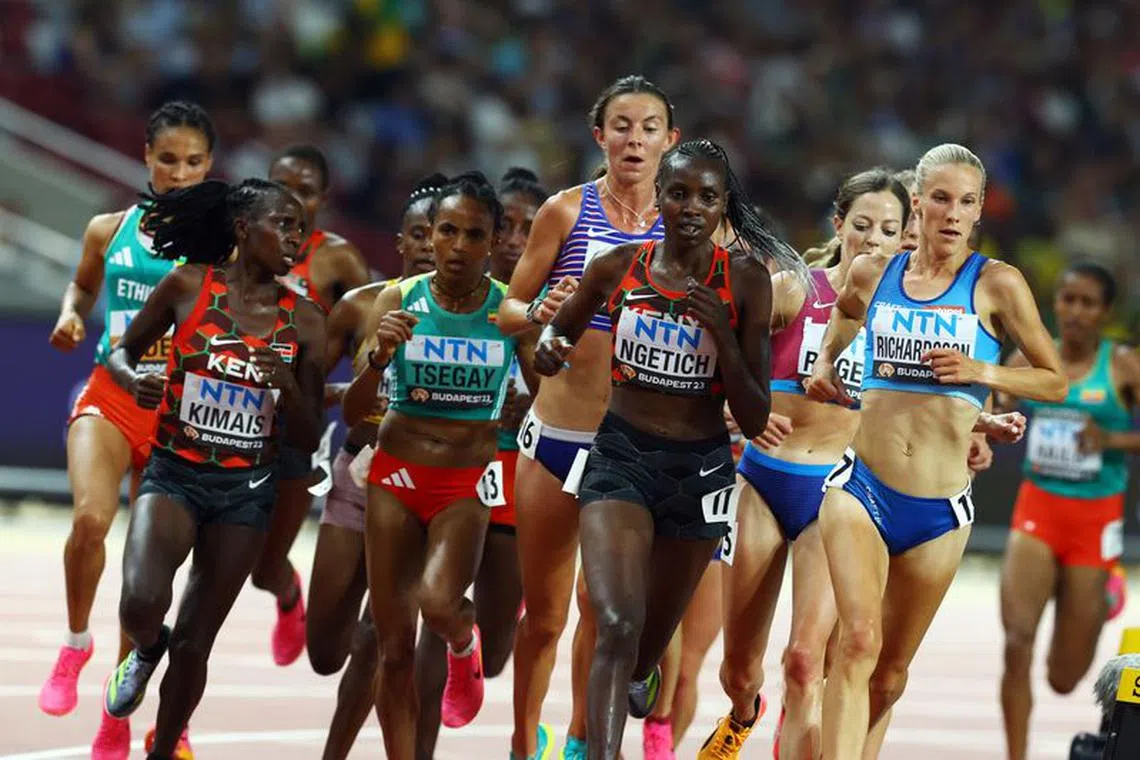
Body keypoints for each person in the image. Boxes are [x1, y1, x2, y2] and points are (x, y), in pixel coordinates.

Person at [534, 138, 807, 760]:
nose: (690, 206)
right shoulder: (618, 265)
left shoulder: (744, 281)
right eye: (679, 192)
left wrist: (724, 335)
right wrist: (549, 346)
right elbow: (558, 332)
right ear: (657, 196)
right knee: (615, 624)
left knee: (645, 646)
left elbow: (756, 412)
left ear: (722, 208)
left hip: (700, 471)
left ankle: (643, 670)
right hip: (619, 458)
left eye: (707, 197)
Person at [804, 143, 1066, 757]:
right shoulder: (876, 271)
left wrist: (985, 372)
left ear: (979, 213)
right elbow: (844, 315)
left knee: (889, 677)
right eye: (941, 199)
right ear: (916, 202)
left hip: (939, 509)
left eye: (966, 202)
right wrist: (824, 363)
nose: (952, 213)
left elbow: (1054, 378)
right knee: (856, 642)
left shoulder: (997, 284)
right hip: (859, 486)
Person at [99, 178, 326, 760]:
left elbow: (306, 433)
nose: (295, 239)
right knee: (140, 603)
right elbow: (121, 352)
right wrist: (133, 380)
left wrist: (288, 391)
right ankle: (146, 648)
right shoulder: (188, 285)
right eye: (284, 224)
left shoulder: (304, 321)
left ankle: (164, 747)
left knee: (196, 645)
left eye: (300, 229)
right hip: (174, 471)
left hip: (245, 491)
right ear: (244, 228)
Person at [699, 168, 911, 760]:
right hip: (765, 480)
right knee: (739, 669)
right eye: (862, 224)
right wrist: (735, 407)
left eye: (888, 229)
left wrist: (981, 428)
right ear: (839, 225)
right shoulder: (797, 288)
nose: (873, 239)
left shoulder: (905, 315)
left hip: (838, 495)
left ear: (905, 236)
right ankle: (743, 715)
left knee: (802, 663)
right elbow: (722, 356)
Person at [499, 74, 680, 760]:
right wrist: (540, 312)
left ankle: (580, 743)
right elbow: (508, 308)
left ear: (672, 140)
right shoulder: (565, 212)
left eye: (650, 126)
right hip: (558, 435)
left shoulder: (688, 225)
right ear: (598, 134)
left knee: (602, 617)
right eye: (623, 125)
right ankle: (523, 745)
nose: (635, 139)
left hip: (635, 447)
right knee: (542, 618)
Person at [341, 171, 537, 760]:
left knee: (437, 601)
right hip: (396, 476)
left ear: (492, 240)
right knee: (393, 647)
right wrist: (378, 359)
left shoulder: (508, 310)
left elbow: (545, 387)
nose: (455, 245)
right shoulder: (398, 298)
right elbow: (354, 411)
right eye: (444, 231)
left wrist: (533, 381)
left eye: (471, 234)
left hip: (465, 481)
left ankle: (461, 643)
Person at [42, 100, 215, 759]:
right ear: (146, 158)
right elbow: (82, 289)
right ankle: (75, 643)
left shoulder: (223, 244)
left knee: (149, 585)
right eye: (167, 159)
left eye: (193, 161)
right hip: (112, 394)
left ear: (210, 166)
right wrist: (70, 316)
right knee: (90, 522)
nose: (178, 173)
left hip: (182, 417)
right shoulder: (107, 229)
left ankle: (117, 716)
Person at [414, 168, 549, 760]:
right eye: (509, 224)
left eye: (527, 226)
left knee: (493, 652)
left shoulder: (554, 297)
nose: (517, 237)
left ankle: (479, 654)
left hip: (520, 473)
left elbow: (569, 394)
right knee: (430, 612)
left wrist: (536, 405)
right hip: (448, 468)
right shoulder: (445, 287)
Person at [306, 174, 442, 760]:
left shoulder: (478, 313)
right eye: (418, 235)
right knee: (325, 649)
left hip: (422, 487)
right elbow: (309, 387)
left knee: (375, 639)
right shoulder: (361, 306)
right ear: (401, 241)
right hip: (357, 473)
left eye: (440, 237)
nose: (429, 248)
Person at [998, 263, 1140, 760]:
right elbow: (996, 399)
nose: (1075, 312)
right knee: (1017, 643)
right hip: (1037, 509)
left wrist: (1112, 438)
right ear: (1054, 304)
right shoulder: (1033, 357)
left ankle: (1104, 596)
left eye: (1088, 303)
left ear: (1105, 312)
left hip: (1095, 520)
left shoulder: (1123, 367)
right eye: (1067, 300)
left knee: (1062, 679)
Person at [255, 144, 370, 667]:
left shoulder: (338, 259)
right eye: (282, 187)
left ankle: (286, 593)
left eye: (304, 191)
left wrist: (341, 392)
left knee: (265, 567)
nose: (292, 200)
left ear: (323, 198)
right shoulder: (242, 244)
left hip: (295, 428)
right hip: (232, 417)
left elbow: (367, 340)